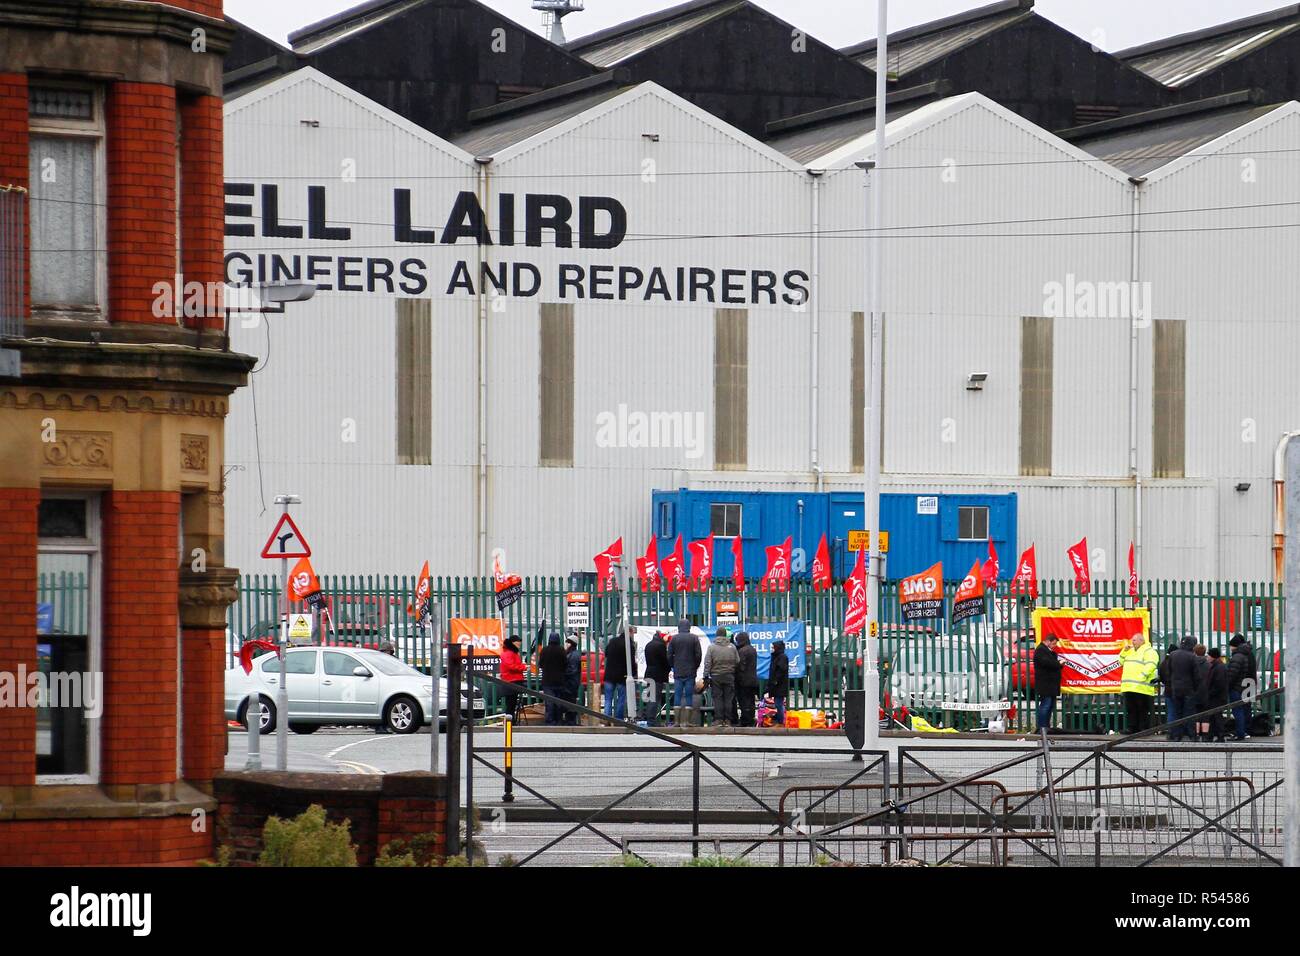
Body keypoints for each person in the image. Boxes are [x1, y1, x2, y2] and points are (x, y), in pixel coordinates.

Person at [1118, 632, 1158, 735]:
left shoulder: (1149, 651)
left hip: (1142, 687)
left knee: (1142, 710)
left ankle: (1142, 729)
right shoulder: (1130, 651)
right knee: (1131, 709)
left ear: (1141, 641)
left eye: (1135, 640)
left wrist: (1142, 676)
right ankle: (1132, 728)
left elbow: (1151, 665)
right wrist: (1124, 651)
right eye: (1132, 640)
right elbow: (1120, 662)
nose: (1132, 642)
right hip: (1130, 687)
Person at [1167, 636, 1202, 742]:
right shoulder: (1192, 657)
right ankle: (1192, 735)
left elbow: (1169, 671)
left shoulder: (1173, 654)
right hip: (1188, 688)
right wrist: (1195, 688)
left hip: (1176, 688)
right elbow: (1196, 675)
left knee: (1178, 712)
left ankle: (1177, 735)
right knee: (1189, 713)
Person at [667, 619, 702, 726]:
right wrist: (695, 666)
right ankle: (687, 722)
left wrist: (673, 665)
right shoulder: (694, 638)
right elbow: (698, 655)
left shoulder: (674, 639)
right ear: (689, 627)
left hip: (678, 670)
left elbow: (669, 655)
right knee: (688, 695)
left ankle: (677, 722)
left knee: (677, 695)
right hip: (690, 671)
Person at [702, 627, 739, 727]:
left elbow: (707, 663)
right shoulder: (732, 647)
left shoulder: (712, 647)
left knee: (718, 698)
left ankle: (718, 719)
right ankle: (727, 720)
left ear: (717, 635)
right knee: (728, 698)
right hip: (729, 675)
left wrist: (705, 676)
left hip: (716, 676)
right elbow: (737, 661)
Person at [1226, 634, 1257, 741]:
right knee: (1247, 708)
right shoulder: (1250, 653)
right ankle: (1246, 730)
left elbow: (1235, 673)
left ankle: (1242, 731)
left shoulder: (1240, 655)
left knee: (1241, 708)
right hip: (1250, 682)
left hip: (1243, 684)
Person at [602, 628, 637, 721]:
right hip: (622, 676)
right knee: (621, 698)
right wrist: (634, 673)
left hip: (609, 674)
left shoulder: (612, 641)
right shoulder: (629, 645)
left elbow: (606, 653)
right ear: (629, 632)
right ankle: (618, 719)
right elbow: (632, 662)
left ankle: (606, 719)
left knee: (608, 698)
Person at [1033, 633, 1062, 733]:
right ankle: (1042, 727)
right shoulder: (1041, 650)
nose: (1054, 646)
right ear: (1048, 641)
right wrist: (1059, 663)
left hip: (1050, 684)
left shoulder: (1047, 651)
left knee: (1049, 706)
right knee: (1046, 705)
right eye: (1053, 644)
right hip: (1046, 684)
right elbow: (1047, 663)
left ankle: (1046, 727)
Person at [538, 633, 568, 726]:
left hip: (547, 680)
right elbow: (565, 664)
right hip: (559, 679)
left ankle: (550, 720)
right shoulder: (561, 650)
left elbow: (541, 664)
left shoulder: (544, 650)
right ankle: (558, 719)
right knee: (559, 701)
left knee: (549, 701)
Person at [642, 630, 670, 725]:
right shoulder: (660, 646)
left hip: (649, 673)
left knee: (651, 697)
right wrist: (668, 668)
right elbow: (664, 661)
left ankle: (649, 717)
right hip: (657, 675)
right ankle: (651, 720)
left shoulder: (649, 645)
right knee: (654, 698)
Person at [734, 631, 759, 727]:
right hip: (753, 679)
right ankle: (751, 719)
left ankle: (745, 720)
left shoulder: (742, 651)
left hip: (744, 681)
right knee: (751, 701)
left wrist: (737, 677)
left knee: (744, 701)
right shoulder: (752, 649)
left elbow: (741, 667)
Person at [1204, 648, 1229, 742]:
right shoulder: (1217, 666)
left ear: (1213, 656)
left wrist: (1210, 693)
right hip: (1217, 697)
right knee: (1213, 717)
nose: (1207, 657)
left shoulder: (1219, 667)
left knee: (1217, 717)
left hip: (1217, 698)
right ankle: (1213, 735)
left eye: (1209, 655)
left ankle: (1220, 736)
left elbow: (1219, 684)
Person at [500, 635, 527, 722]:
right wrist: (523, 667)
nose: (519, 645)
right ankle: (510, 721)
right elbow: (511, 666)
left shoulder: (512, 653)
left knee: (512, 703)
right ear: (513, 643)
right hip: (511, 680)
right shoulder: (509, 653)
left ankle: (511, 720)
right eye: (518, 643)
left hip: (513, 680)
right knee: (511, 703)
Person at [767, 639, 790, 725]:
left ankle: (781, 722)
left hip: (780, 685)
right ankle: (781, 720)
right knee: (778, 703)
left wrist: (775, 680)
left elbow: (781, 670)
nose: (772, 649)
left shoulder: (782, 657)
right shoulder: (776, 656)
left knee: (778, 704)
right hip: (776, 684)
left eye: (773, 647)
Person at [1157, 642, 1177, 733]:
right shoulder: (1174, 663)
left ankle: (1170, 730)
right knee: (1177, 711)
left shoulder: (1163, 663)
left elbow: (1161, 676)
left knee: (1171, 711)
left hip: (1167, 689)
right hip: (1175, 690)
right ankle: (1176, 730)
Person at [562, 636, 582, 726]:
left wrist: (563, 673)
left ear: (570, 644)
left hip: (571, 682)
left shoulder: (573, 655)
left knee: (570, 701)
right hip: (572, 681)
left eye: (567, 642)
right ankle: (570, 720)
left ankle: (571, 721)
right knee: (570, 701)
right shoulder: (572, 653)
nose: (565, 644)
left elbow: (572, 670)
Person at [1192, 644, 1210, 739]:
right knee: (1206, 714)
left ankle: (1196, 734)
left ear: (1194, 652)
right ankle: (1205, 735)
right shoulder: (1209, 665)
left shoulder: (1192, 664)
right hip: (1206, 693)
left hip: (1194, 692)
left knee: (1195, 714)